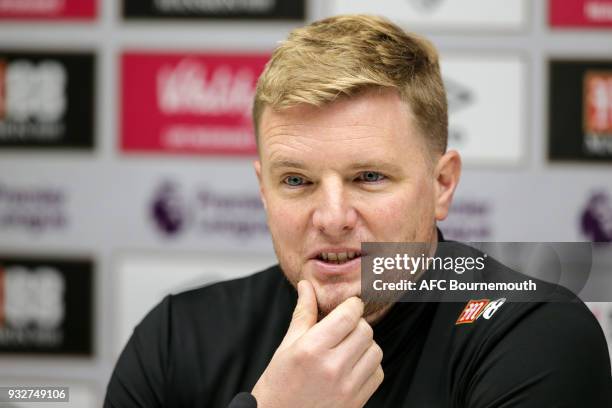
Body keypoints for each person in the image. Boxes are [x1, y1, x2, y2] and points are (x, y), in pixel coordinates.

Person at [105, 15, 612, 407]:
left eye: (368, 178)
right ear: (264, 190)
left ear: (442, 184)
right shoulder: (177, 338)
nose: (331, 217)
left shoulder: (533, 332)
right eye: (297, 181)